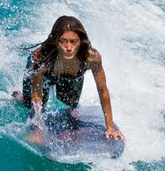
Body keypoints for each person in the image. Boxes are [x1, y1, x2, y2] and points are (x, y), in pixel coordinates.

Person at [14, 15, 124, 144]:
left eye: (73, 41)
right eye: (63, 41)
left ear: (81, 41)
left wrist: (109, 126)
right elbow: (36, 95)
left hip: (71, 77)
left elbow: (102, 89)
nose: (68, 47)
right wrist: (37, 128)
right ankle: (18, 95)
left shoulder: (91, 58)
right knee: (31, 105)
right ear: (55, 40)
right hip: (44, 75)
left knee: (70, 106)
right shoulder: (40, 58)